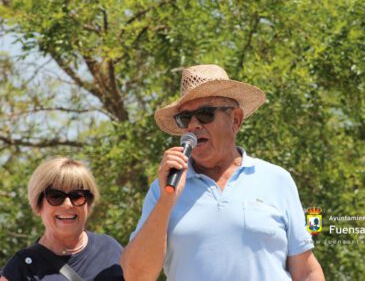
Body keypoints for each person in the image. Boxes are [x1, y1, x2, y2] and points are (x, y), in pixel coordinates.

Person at [121, 64, 325, 280]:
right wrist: (166, 200)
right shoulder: (162, 189)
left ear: (235, 120)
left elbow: (306, 270)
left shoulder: (276, 179)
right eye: (184, 118)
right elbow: (136, 275)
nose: (193, 125)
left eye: (204, 114)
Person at [0, 157, 124, 281]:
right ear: (38, 205)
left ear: (88, 204)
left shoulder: (110, 248)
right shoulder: (21, 269)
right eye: (55, 196)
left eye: (77, 196)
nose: (68, 204)